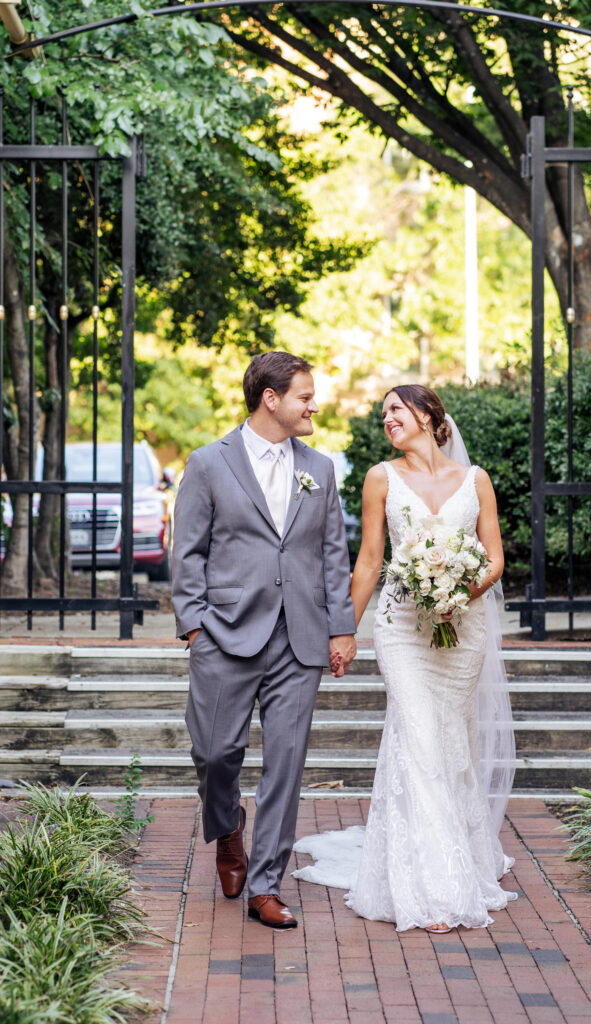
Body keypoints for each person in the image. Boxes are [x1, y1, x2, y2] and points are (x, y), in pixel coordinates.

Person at [293, 384, 516, 933]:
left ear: (428, 415)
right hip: (400, 628)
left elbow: (494, 559)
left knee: (450, 739)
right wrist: (340, 631)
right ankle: (435, 889)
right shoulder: (379, 478)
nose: (387, 418)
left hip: (463, 629)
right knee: (417, 735)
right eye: (384, 412)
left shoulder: (476, 480)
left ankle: (464, 857)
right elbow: (370, 562)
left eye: (396, 409)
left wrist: (458, 593)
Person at [172, 351, 357, 930]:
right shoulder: (208, 463)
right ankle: (228, 831)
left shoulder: (320, 468)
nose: (314, 405)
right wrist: (196, 625)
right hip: (225, 633)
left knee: (286, 764)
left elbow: (332, 553)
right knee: (214, 753)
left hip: (298, 639)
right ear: (271, 398)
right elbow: (188, 552)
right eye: (305, 395)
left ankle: (265, 885)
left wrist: (342, 626)